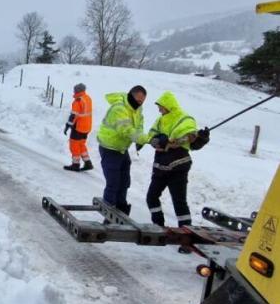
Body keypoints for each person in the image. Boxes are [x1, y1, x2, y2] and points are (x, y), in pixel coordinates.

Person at [145, 91, 209, 231]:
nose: (159, 109)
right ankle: (158, 226)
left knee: (179, 202)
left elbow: (192, 141)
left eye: (161, 106)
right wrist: (159, 139)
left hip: (178, 168)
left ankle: (186, 235)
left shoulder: (185, 119)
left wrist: (201, 138)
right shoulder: (160, 120)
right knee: (151, 197)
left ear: (169, 106)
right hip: (160, 167)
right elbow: (150, 136)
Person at [96, 85, 149, 215]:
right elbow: (125, 129)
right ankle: (108, 216)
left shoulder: (137, 110)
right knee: (113, 183)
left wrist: (140, 138)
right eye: (138, 100)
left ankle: (121, 211)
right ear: (131, 95)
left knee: (124, 182)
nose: (140, 103)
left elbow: (139, 126)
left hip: (122, 149)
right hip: (110, 149)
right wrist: (145, 139)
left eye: (142, 101)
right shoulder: (119, 108)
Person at [63, 83, 93, 171]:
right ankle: (88, 163)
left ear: (78, 91)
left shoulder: (78, 101)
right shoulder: (87, 98)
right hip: (87, 127)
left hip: (78, 127)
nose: (74, 91)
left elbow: (74, 115)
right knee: (81, 145)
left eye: (75, 90)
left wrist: (68, 125)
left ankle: (75, 164)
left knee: (74, 145)